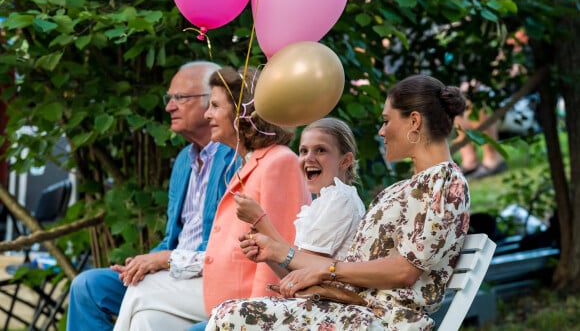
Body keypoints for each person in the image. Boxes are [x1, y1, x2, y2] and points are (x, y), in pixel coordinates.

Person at [206, 74, 471, 330]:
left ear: (414, 121)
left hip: (383, 320)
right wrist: (279, 254)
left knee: (231, 315)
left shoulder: (445, 183)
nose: (381, 131)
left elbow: (406, 271)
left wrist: (326, 272)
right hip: (353, 309)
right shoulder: (407, 187)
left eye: (387, 121)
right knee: (230, 312)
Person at [112, 66, 311, 330]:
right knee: (148, 319)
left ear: (242, 112)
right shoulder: (246, 163)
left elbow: (279, 243)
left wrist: (259, 313)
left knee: (142, 289)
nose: (208, 114)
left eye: (215, 106)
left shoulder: (279, 160)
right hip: (218, 288)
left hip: (247, 300)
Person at [66, 61, 239, 331]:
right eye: (169, 98)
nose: (170, 106)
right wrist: (141, 263)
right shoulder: (184, 160)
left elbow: (230, 248)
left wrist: (162, 261)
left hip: (204, 276)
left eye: (180, 98)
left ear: (211, 103)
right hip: (169, 270)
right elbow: (173, 237)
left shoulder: (236, 159)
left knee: (143, 306)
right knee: (88, 286)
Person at [235, 117, 365, 262]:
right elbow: (294, 272)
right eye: (304, 151)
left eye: (320, 150)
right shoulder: (324, 202)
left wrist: (259, 220)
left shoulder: (340, 199)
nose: (309, 158)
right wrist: (264, 250)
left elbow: (304, 266)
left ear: (345, 161)